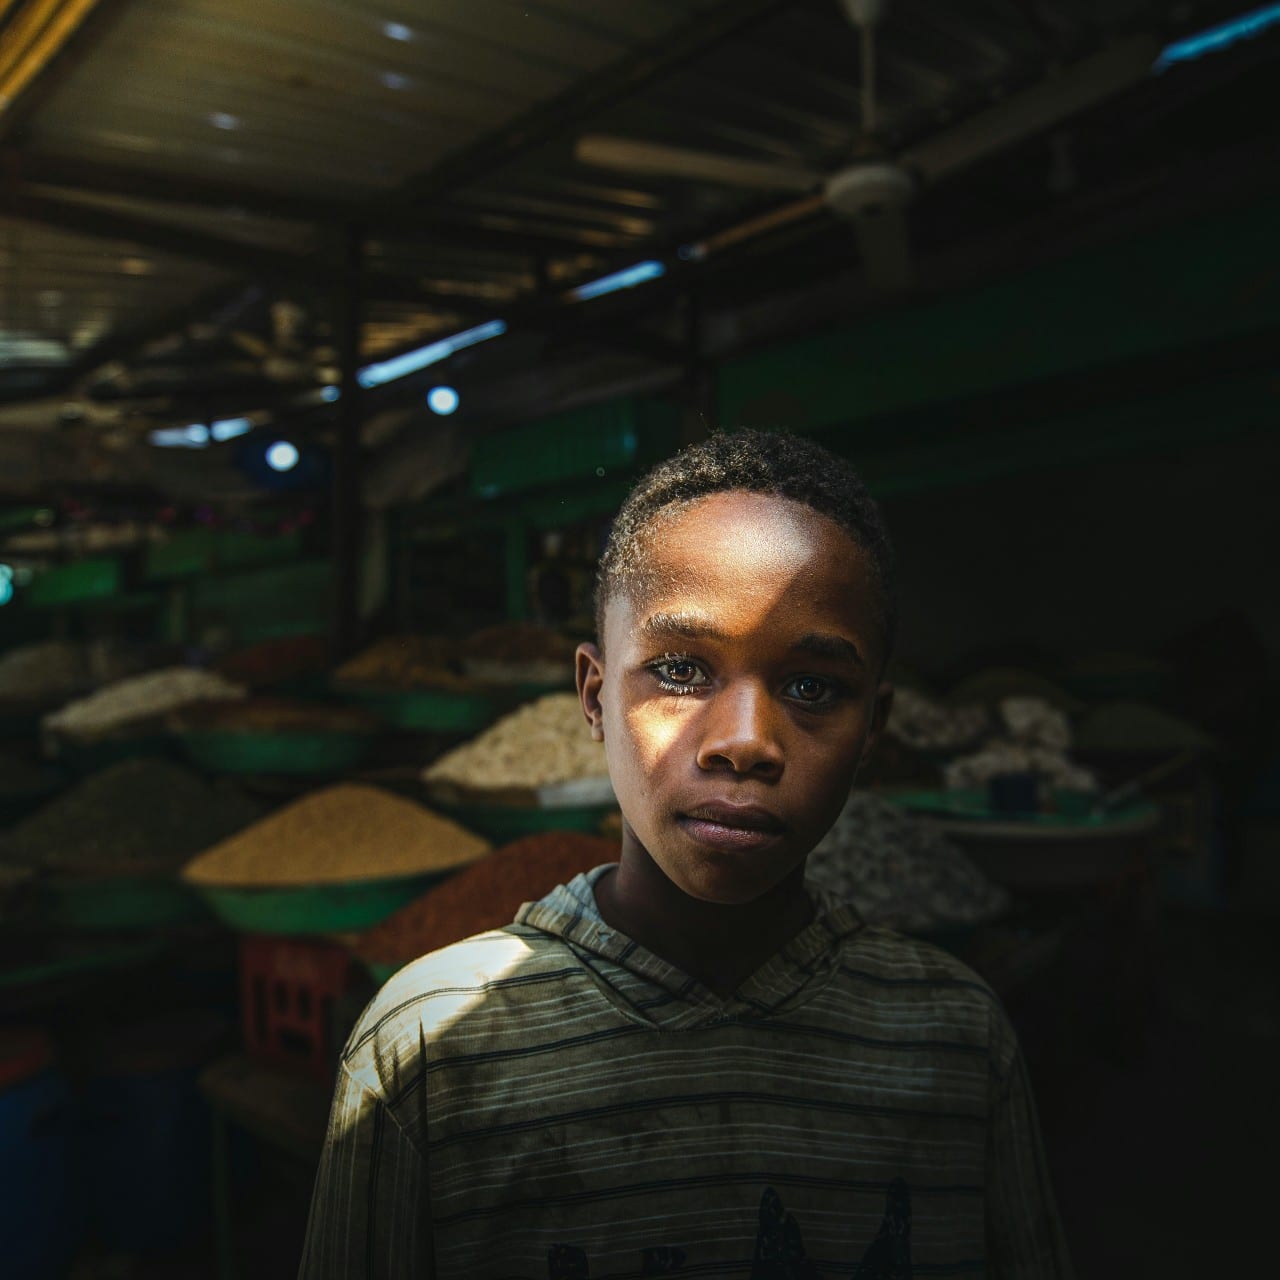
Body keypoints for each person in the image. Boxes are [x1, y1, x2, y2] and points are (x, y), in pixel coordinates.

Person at [299, 430, 1073, 1279]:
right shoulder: (426, 1048)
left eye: (813, 687)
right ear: (594, 698)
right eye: (679, 671)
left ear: (873, 732)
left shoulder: (955, 1040)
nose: (744, 743)